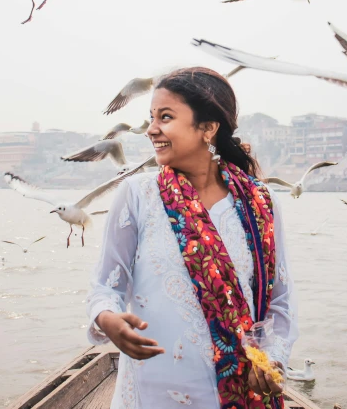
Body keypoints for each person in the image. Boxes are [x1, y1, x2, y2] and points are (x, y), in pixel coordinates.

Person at [86, 67, 298, 408]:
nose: (151, 129)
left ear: (208, 128)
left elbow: (279, 303)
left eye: (165, 117)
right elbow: (104, 287)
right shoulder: (138, 195)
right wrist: (108, 319)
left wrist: (273, 359)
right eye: (151, 117)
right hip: (152, 389)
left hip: (234, 392)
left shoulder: (259, 203)